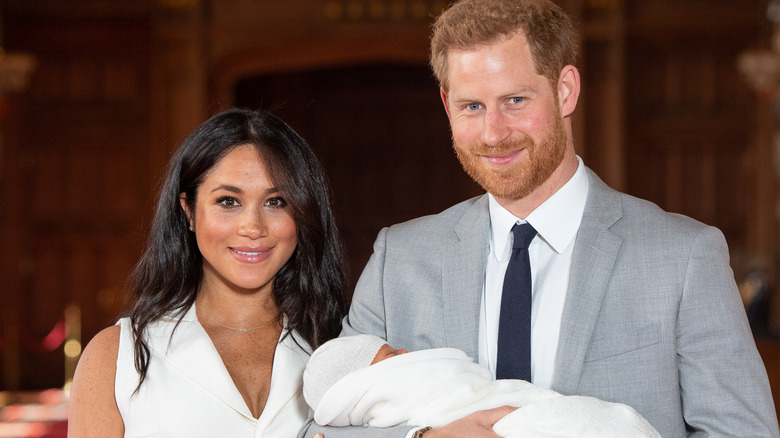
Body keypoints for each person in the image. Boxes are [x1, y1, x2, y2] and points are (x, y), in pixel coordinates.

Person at [301, 0, 780, 437]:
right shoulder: (399, 260)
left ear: (566, 90)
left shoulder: (684, 256)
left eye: (515, 101)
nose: (493, 133)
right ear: (447, 105)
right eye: (472, 106)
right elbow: (324, 426)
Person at [68, 108, 348, 437]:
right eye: (228, 201)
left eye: (276, 202)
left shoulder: (339, 348)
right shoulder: (116, 357)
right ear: (188, 211)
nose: (253, 227)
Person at [303, 334, 661, 438]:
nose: (405, 353)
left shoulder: (689, 249)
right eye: (392, 354)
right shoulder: (393, 253)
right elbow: (319, 431)